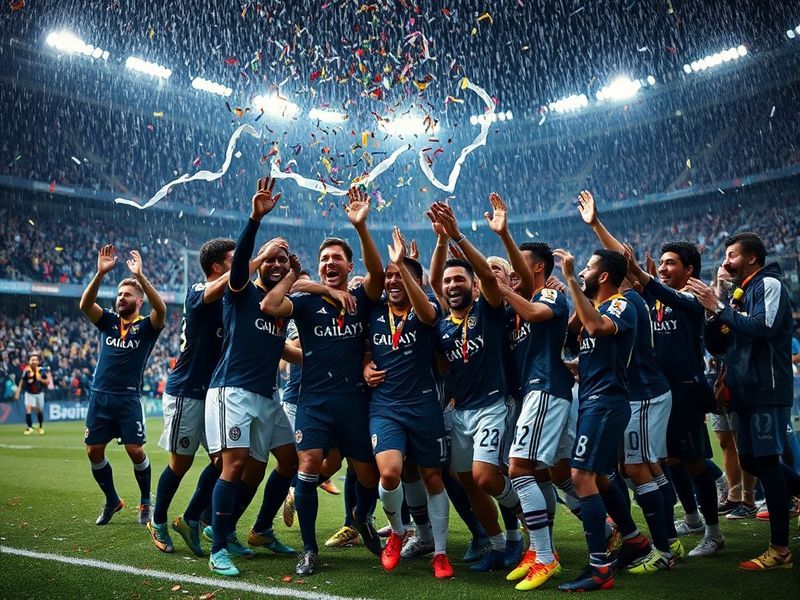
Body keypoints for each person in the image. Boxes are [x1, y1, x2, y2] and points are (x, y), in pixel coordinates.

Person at [260, 186, 386, 576]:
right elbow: (269, 303)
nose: (331, 262)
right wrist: (312, 283)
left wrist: (361, 228)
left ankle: (361, 517)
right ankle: (310, 549)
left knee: (369, 475)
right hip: (314, 399)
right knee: (309, 467)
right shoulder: (308, 300)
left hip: (354, 399)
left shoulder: (361, 297)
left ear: (350, 266)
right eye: (324, 259)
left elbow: (379, 275)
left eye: (337, 259)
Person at [204, 178, 299, 577]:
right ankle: (219, 544)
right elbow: (241, 264)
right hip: (232, 391)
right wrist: (255, 221)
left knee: (288, 461)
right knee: (236, 464)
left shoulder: (281, 308)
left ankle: (259, 530)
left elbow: (288, 352)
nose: (276, 265)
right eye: (270, 259)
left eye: (284, 260)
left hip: (267, 396)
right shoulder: (241, 290)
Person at [688, 232, 800, 570]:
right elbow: (717, 345)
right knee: (751, 461)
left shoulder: (770, 284)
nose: (725, 262)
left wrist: (720, 306)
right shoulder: (741, 293)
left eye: (732, 255)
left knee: (765, 462)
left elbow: (763, 328)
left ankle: (780, 550)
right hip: (745, 391)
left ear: (751, 258)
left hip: (766, 387)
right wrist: (715, 308)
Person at [426, 201, 523, 574]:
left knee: (485, 476)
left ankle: (533, 517)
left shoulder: (489, 309)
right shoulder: (442, 323)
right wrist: (440, 244)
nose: (451, 285)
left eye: (459, 280)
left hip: (493, 404)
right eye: (448, 281)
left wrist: (458, 238)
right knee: (466, 480)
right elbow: (434, 282)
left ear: (473, 285)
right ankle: (498, 545)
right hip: (460, 408)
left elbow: (486, 274)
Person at [554, 247, 647, 592]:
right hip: (595, 400)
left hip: (605, 404)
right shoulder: (596, 304)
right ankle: (635, 541)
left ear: (604, 276)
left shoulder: (618, 304)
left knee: (581, 475)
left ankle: (599, 570)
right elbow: (575, 336)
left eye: (588, 268)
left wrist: (568, 279)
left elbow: (594, 326)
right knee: (601, 477)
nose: (582, 272)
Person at [362, 226, 452, 578]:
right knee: (389, 473)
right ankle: (399, 532)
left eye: (399, 275)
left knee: (432, 477)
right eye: (389, 276)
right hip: (385, 406)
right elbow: (362, 346)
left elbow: (429, 315)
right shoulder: (374, 312)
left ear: (416, 280)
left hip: (424, 404)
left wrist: (403, 262)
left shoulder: (426, 309)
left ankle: (441, 553)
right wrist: (363, 363)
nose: (391, 281)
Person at [625, 236, 723, 557]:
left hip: (686, 390)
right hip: (660, 393)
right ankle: (693, 518)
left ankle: (713, 533)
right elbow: (642, 289)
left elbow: (652, 286)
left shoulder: (694, 299)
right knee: (670, 460)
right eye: (663, 263)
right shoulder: (656, 300)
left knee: (694, 462)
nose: (665, 268)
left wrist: (642, 274)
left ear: (689, 269)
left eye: (672, 263)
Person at [146, 237, 235, 554]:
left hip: (211, 392)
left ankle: (190, 519)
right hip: (186, 390)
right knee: (180, 464)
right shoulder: (198, 291)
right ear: (217, 267)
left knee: (224, 461)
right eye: (233, 260)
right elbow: (217, 289)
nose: (238, 265)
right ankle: (157, 521)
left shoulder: (227, 299)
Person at [499, 237, 575, 590]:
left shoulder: (549, 295)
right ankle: (605, 531)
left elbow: (535, 314)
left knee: (519, 469)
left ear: (539, 267)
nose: (513, 272)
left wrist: (503, 286)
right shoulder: (517, 307)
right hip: (538, 391)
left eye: (520, 265)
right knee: (555, 472)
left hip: (545, 388)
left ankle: (545, 556)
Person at [79, 245, 166, 526]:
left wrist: (140, 277)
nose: (121, 298)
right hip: (100, 396)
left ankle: (145, 501)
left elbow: (161, 309)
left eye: (127, 295)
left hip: (128, 398)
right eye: (119, 295)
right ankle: (112, 500)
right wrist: (100, 274)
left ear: (139, 301)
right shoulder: (108, 322)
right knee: (94, 451)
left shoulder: (146, 328)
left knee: (135, 451)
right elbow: (84, 305)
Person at [15, 352, 49, 435]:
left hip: (39, 393)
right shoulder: (26, 370)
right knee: (28, 408)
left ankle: (40, 427)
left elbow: (47, 382)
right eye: (32, 360)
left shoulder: (41, 370)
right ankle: (29, 428)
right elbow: (22, 381)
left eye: (36, 360)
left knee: (39, 411)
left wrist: (40, 379)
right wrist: (18, 392)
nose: (34, 361)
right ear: (29, 361)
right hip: (29, 393)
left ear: (38, 362)